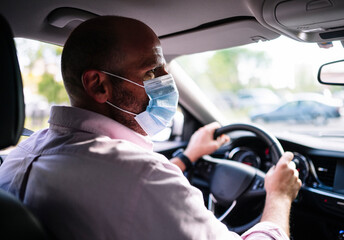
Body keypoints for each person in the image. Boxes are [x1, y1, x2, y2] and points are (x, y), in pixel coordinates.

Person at [0, 16, 301, 240]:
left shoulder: (21, 158)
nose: (166, 81)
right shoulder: (144, 177)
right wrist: (278, 196)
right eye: (152, 70)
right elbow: (138, 185)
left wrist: (187, 157)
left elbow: (128, 192)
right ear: (98, 85)